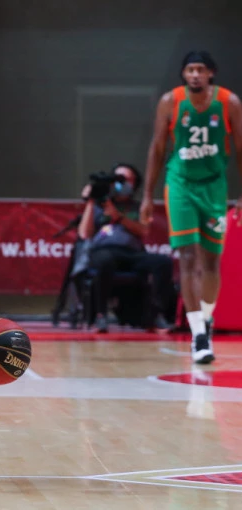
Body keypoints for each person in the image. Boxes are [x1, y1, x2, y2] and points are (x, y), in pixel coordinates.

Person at [141, 51, 242, 364]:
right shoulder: (170, 101)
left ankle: (207, 319)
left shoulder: (228, 102)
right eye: (190, 70)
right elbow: (158, 148)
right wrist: (147, 196)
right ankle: (198, 332)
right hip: (181, 184)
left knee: (211, 261)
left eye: (200, 69)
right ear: (184, 74)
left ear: (211, 73)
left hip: (213, 186)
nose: (195, 74)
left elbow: (241, 148)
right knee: (186, 257)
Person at [78, 164, 174, 333]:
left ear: (135, 184)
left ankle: (156, 315)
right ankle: (100, 316)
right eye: (119, 178)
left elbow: (144, 230)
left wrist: (118, 216)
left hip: (132, 254)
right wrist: (91, 200)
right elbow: (85, 233)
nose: (122, 183)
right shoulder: (99, 205)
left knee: (163, 262)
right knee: (104, 261)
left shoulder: (138, 207)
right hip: (104, 252)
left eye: (127, 179)